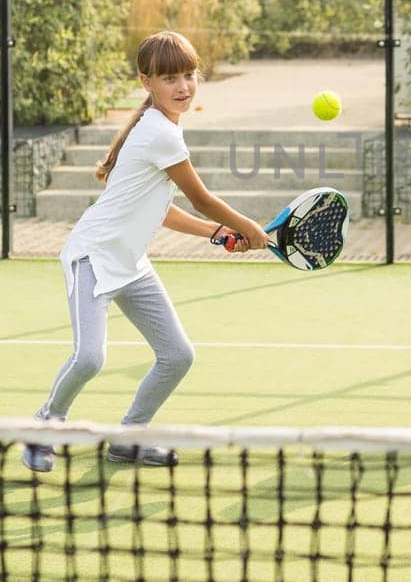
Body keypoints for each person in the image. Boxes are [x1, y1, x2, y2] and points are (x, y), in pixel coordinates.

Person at [22, 31, 269, 473]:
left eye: (189, 75)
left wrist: (217, 234)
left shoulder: (163, 127)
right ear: (146, 82)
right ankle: (44, 427)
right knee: (90, 358)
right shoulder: (160, 133)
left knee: (178, 356)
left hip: (130, 264)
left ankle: (129, 438)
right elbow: (201, 199)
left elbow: (163, 210)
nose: (183, 87)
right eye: (170, 78)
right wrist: (247, 227)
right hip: (92, 258)